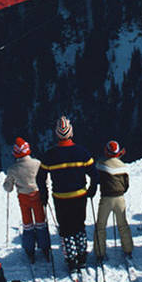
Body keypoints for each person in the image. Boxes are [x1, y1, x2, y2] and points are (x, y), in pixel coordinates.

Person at [36, 116, 96, 273]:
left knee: (66, 229)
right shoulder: (82, 152)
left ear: (57, 134)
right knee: (79, 226)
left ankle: (71, 260)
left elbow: (40, 177)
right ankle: (82, 256)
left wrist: (44, 194)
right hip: (79, 196)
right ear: (71, 133)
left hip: (61, 198)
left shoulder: (50, 155)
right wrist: (92, 188)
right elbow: (94, 173)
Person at [3, 137, 52, 263]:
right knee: (41, 221)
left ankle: (30, 248)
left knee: (27, 223)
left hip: (24, 198)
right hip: (37, 196)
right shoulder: (37, 164)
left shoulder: (12, 169)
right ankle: (45, 246)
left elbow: (8, 188)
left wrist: (7, 184)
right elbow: (45, 180)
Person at [94, 140, 134, 262]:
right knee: (123, 225)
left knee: (101, 226)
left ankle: (100, 252)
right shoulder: (123, 166)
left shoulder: (101, 164)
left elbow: (97, 179)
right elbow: (126, 186)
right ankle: (128, 250)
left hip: (106, 198)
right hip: (120, 198)